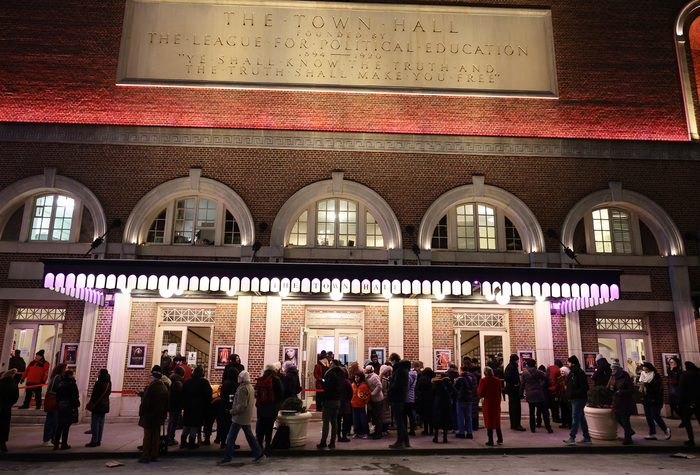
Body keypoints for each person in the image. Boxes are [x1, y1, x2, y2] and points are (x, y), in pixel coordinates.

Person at [217, 370, 265, 465]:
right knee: (250, 436)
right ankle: (259, 454)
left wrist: (232, 411)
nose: (237, 378)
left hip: (239, 417)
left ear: (242, 378)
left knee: (231, 438)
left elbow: (242, 405)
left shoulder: (243, 389)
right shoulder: (249, 387)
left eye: (239, 377)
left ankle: (227, 458)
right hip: (245, 416)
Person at [138, 370, 169, 463]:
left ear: (153, 378)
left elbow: (146, 403)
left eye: (150, 377)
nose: (149, 379)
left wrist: (141, 412)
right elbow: (167, 403)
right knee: (156, 436)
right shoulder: (164, 388)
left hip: (149, 415)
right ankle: (154, 454)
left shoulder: (151, 388)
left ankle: (145, 456)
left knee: (147, 437)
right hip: (158, 415)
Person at [180, 365, 212, 448]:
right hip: (199, 407)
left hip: (188, 406)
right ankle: (192, 442)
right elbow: (208, 395)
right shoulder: (204, 382)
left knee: (187, 424)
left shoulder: (187, 381)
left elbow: (182, 393)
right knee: (194, 425)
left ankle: (183, 442)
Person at [563, 355, 592, 445]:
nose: (567, 364)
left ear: (573, 363)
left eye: (569, 362)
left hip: (578, 398)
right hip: (575, 398)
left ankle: (572, 437)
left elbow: (584, 387)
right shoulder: (573, 373)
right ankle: (587, 437)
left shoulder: (579, 373)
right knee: (581, 418)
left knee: (575, 418)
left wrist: (573, 394)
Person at [638, 362, 671, 441]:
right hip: (646, 399)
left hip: (655, 400)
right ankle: (652, 433)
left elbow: (657, 388)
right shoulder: (643, 376)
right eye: (644, 370)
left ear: (650, 369)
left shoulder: (656, 376)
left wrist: (646, 385)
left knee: (655, 415)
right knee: (648, 417)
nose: (645, 372)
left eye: (646, 370)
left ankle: (665, 429)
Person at [255, 364, 283, 454]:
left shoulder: (261, 379)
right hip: (272, 406)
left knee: (260, 424)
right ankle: (267, 445)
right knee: (269, 426)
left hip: (261, 406)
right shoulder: (276, 379)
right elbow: (280, 393)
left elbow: (256, 391)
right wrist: (278, 404)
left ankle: (259, 444)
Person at [607, 358, 635, 445]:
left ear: (618, 369)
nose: (613, 371)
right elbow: (608, 386)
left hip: (625, 402)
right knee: (617, 417)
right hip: (616, 401)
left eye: (614, 369)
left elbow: (631, 390)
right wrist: (610, 388)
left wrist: (621, 392)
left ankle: (628, 438)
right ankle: (629, 431)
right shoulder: (612, 376)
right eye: (612, 369)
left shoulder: (625, 377)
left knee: (625, 419)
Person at [520, 359, 553, 433]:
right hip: (539, 393)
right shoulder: (538, 372)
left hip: (530, 393)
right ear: (534, 364)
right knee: (544, 411)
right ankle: (548, 428)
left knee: (531, 412)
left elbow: (522, 384)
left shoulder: (525, 373)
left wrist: (521, 394)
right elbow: (546, 378)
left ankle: (533, 428)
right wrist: (548, 370)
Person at [387, 353, 411, 449]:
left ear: (393, 360)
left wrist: (390, 390)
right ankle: (405, 440)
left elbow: (396, 384)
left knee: (399, 420)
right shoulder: (404, 370)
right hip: (401, 396)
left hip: (396, 397)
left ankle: (400, 441)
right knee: (400, 419)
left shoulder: (399, 370)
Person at [317, 359, 342, 449]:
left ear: (334, 365)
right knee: (334, 421)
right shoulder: (340, 374)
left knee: (326, 421)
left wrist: (323, 399)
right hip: (337, 399)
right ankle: (332, 441)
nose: (329, 364)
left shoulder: (331, 374)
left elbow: (328, 388)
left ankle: (323, 441)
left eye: (331, 363)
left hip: (330, 400)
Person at [54, 369, 80, 450]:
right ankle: (64, 444)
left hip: (62, 405)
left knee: (60, 426)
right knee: (66, 426)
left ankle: (56, 444)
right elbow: (75, 396)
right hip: (69, 406)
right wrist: (76, 404)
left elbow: (57, 395)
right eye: (73, 374)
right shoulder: (72, 384)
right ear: (70, 375)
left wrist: (60, 402)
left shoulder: (61, 383)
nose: (74, 375)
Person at [42, 362, 67, 447]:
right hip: (54, 401)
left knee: (55, 421)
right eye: (66, 368)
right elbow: (54, 390)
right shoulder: (57, 378)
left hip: (57, 401)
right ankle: (47, 439)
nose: (67, 370)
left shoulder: (58, 377)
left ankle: (53, 438)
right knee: (51, 420)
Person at [478, 366, 503, 446]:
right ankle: (500, 437)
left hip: (488, 401)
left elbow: (480, 393)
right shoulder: (497, 379)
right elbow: (500, 390)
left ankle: (490, 439)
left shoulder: (483, 380)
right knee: (496, 419)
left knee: (489, 420)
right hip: (496, 401)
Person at [85, 368, 111, 447]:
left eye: (98, 372)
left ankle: (94, 440)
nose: (97, 373)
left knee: (95, 423)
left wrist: (91, 403)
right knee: (101, 423)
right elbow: (109, 393)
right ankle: (99, 440)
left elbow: (94, 395)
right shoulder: (109, 383)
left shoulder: (98, 383)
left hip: (97, 405)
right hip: (104, 405)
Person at [679, 361, 700, 446]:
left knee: (687, 420)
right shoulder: (698, 374)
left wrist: (680, 402)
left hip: (688, 402)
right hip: (698, 401)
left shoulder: (685, 375)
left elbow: (682, 390)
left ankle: (691, 439)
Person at [217, 366, 238, 449]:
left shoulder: (225, 382)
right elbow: (232, 396)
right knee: (231, 426)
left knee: (224, 426)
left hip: (223, 406)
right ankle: (230, 443)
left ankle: (223, 442)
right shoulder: (233, 384)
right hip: (230, 407)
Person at [430, 373, 454, 443]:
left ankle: (436, 437)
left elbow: (432, 394)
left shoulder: (436, 384)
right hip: (446, 403)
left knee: (437, 420)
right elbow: (454, 392)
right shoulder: (449, 384)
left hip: (437, 403)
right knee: (445, 420)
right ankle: (445, 437)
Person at [504, 354, 525, 431]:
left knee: (513, 408)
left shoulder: (509, 367)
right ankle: (516, 424)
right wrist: (515, 382)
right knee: (516, 408)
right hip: (514, 391)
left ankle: (514, 424)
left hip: (511, 391)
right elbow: (509, 377)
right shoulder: (512, 367)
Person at [454, 364, 476, 439]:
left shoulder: (459, 379)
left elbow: (455, 388)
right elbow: (471, 387)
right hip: (469, 399)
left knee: (460, 416)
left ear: (461, 371)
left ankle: (461, 432)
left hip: (461, 399)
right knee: (468, 416)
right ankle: (470, 432)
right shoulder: (470, 378)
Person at [0, 369, 19, 453]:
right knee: (5, 426)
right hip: (7, 408)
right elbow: (15, 397)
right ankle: (3, 444)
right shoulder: (14, 385)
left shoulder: (1, 384)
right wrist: (10, 404)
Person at [364, 364, 385, 439]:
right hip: (373, 399)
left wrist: (372, 394)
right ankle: (377, 431)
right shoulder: (368, 377)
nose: (365, 370)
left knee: (378, 416)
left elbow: (379, 386)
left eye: (366, 370)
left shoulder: (374, 377)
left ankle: (379, 433)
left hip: (377, 399)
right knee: (375, 417)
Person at [166, 365, 185, 446]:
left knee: (171, 421)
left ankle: (168, 436)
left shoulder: (170, 380)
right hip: (176, 405)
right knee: (174, 422)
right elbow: (179, 395)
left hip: (170, 404)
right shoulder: (178, 382)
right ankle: (170, 438)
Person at [351, 372, 370, 438]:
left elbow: (367, 395)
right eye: (355, 377)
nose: (356, 379)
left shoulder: (364, 386)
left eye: (358, 377)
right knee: (355, 420)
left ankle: (366, 433)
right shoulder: (352, 385)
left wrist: (365, 402)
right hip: (354, 404)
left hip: (361, 405)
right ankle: (356, 432)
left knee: (363, 420)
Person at [416, 367, 434, 435]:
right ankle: (432, 430)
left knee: (424, 415)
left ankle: (426, 430)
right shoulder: (433, 379)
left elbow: (418, 388)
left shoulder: (422, 379)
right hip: (431, 398)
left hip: (423, 398)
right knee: (431, 415)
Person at [337, 366, 353, 443]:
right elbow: (351, 393)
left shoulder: (336, 381)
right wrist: (348, 400)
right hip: (346, 405)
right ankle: (344, 435)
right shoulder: (347, 382)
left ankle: (338, 436)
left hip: (337, 405)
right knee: (346, 421)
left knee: (337, 422)